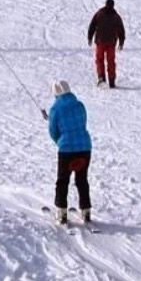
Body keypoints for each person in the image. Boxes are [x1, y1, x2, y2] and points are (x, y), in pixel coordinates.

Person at [47, 82, 93, 227]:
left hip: (66, 149)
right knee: (82, 180)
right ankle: (86, 211)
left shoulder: (55, 109)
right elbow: (82, 123)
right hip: (85, 147)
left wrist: (60, 141)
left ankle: (61, 213)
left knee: (62, 180)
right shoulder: (80, 105)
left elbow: (53, 131)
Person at [87, 0, 126, 87]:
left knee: (100, 60)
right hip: (110, 42)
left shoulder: (100, 13)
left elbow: (92, 25)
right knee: (110, 61)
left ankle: (102, 78)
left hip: (101, 41)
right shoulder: (116, 16)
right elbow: (121, 30)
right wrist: (121, 41)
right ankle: (111, 80)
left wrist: (90, 37)